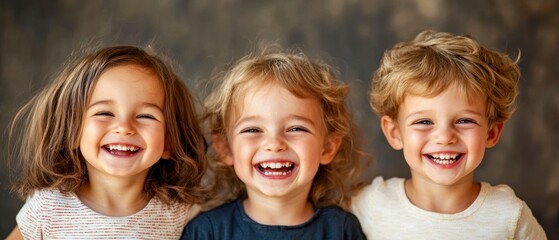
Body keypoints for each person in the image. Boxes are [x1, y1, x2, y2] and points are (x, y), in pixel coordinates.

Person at [351, 30, 547, 239]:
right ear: (395, 133)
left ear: (491, 132)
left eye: (464, 121)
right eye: (424, 122)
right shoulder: (370, 205)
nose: (445, 137)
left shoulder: (510, 216)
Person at [6, 45, 207, 239]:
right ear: (73, 131)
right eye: (104, 113)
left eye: (146, 116)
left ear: (169, 141)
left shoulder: (182, 213)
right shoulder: (47, 208)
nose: (124, 127)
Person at [181, 48, 367, 239]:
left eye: (296, 129)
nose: (274, 144)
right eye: (253, 130)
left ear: (327, 147)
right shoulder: (206, 232)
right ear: (226, 148)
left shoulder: (341, 230)